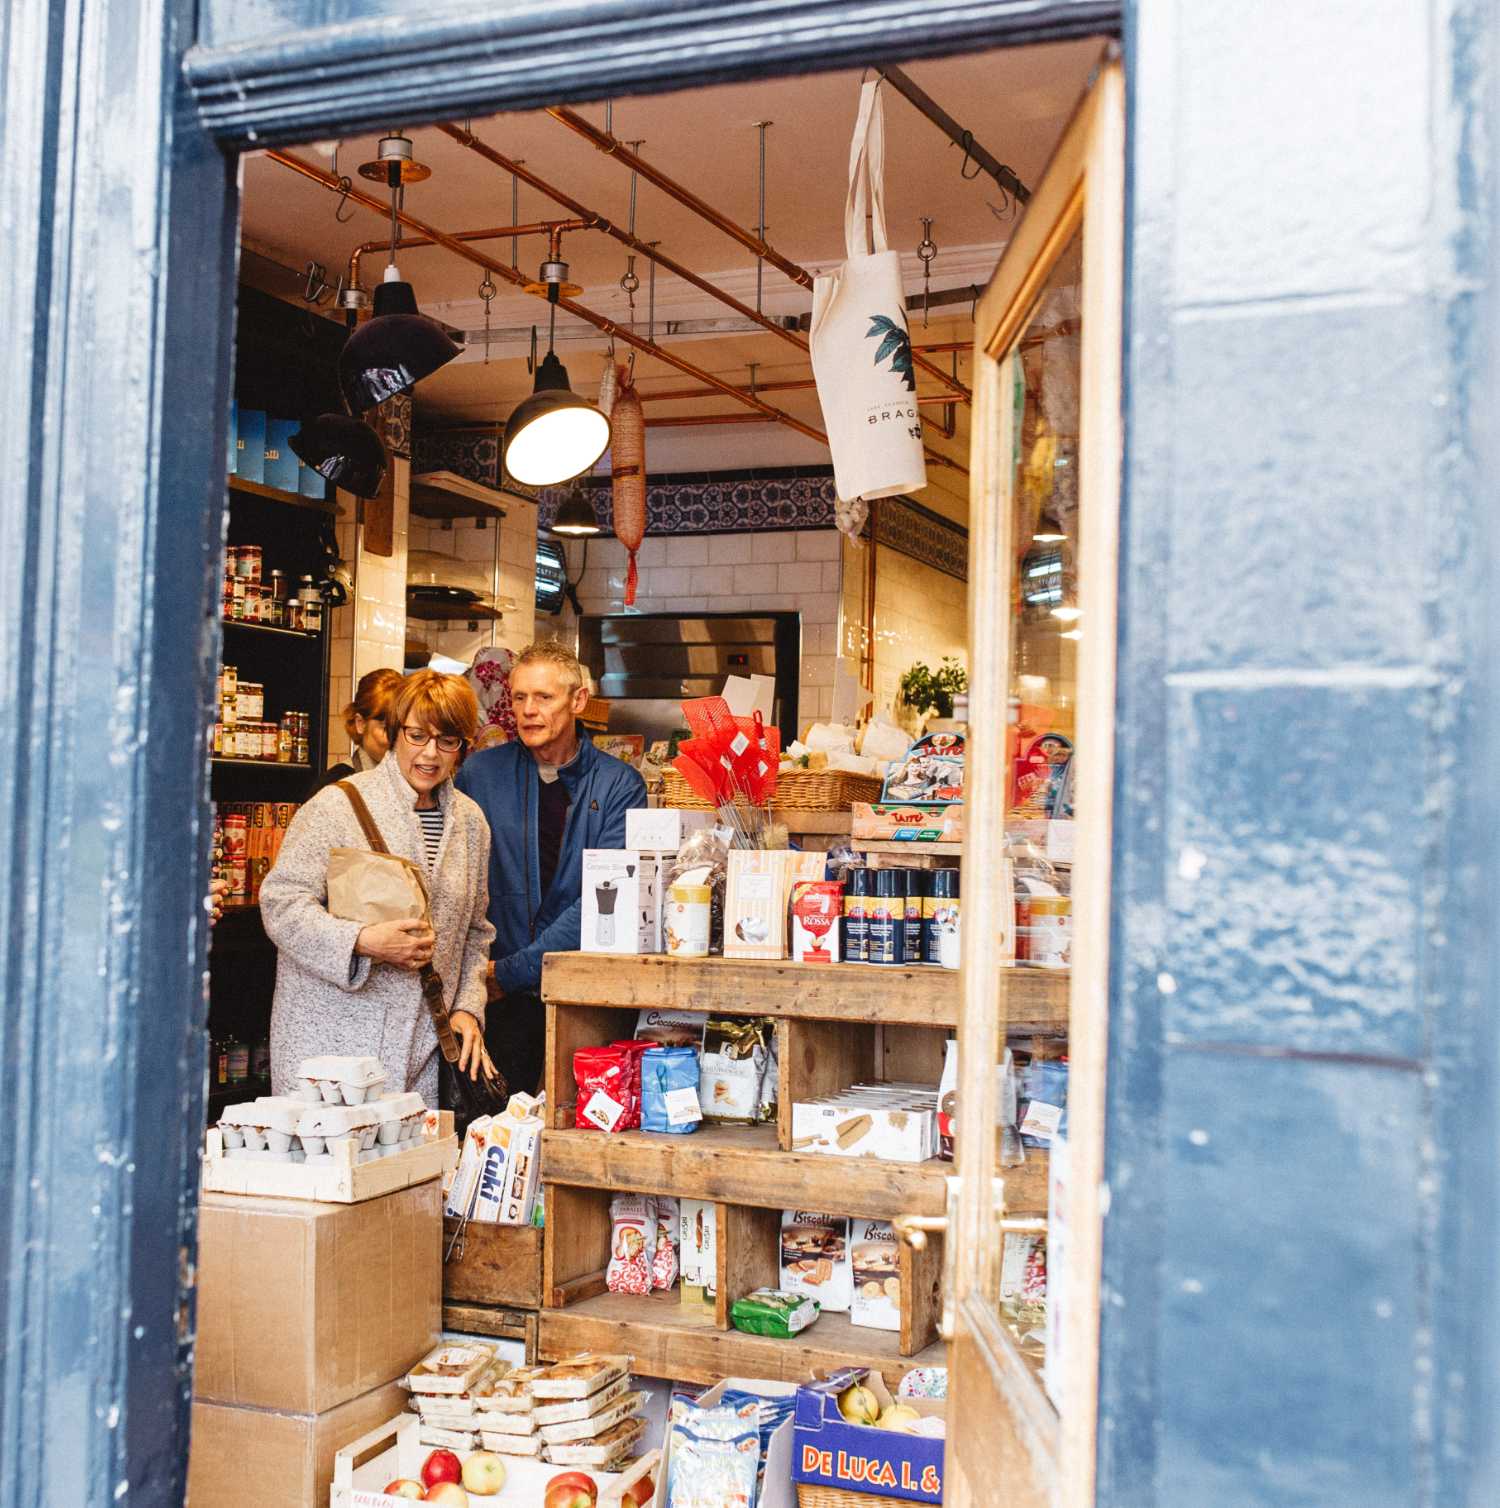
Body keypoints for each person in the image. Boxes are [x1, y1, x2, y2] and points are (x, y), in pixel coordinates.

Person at [261, 669, 495, 1103]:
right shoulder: (338, 805)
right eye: (417, 735)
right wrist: (363, 940)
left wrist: (467, 1008)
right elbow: (281, 904)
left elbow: (476, 931)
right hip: (329, 1048)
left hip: (421, 1051)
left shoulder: (470, 822)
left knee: (410, 1169)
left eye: (447, 741)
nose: (430, 754)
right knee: (333, 1169)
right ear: (394, 732)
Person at [455, 641, 646, 1094]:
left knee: (578, 1124)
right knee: (492, 1130)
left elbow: (605, 898)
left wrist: (513, 971)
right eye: (519, 697)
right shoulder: (479, 776)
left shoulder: (619, 785)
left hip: (581, 992)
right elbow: (456, 880)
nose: (528, 711)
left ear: (578, 701)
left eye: (544, 698)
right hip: (493, 1000)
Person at [312, 666, 404, 794]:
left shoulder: (414, 784)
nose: (397, 739)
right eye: (387, 728)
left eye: (403, 728)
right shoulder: (335, 786)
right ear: (360, 723)